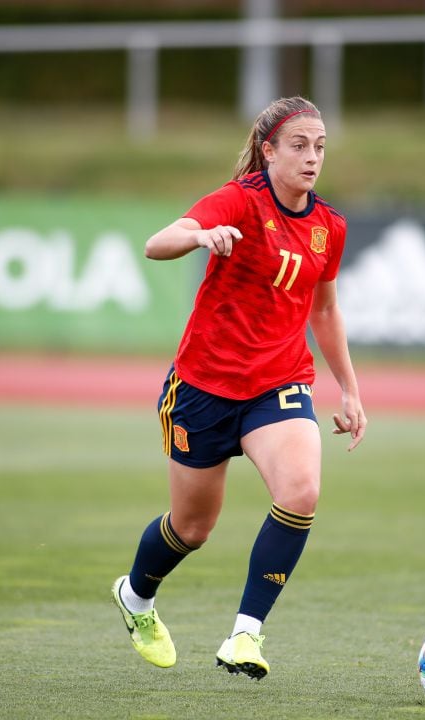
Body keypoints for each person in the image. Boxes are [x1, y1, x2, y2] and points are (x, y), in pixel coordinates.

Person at [111, 96, 366, 679]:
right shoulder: (240, 200)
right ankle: (136, 597)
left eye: (320, 146)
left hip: (279, 383)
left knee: (300, 490)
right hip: (202, 388)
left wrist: (349, 389)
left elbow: (324, 311)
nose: (311, 158)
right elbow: (158, 241)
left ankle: (245, 637)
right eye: (298, 145)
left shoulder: (330, 226)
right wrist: (200, 239)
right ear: (268, 150)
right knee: (193, 528)